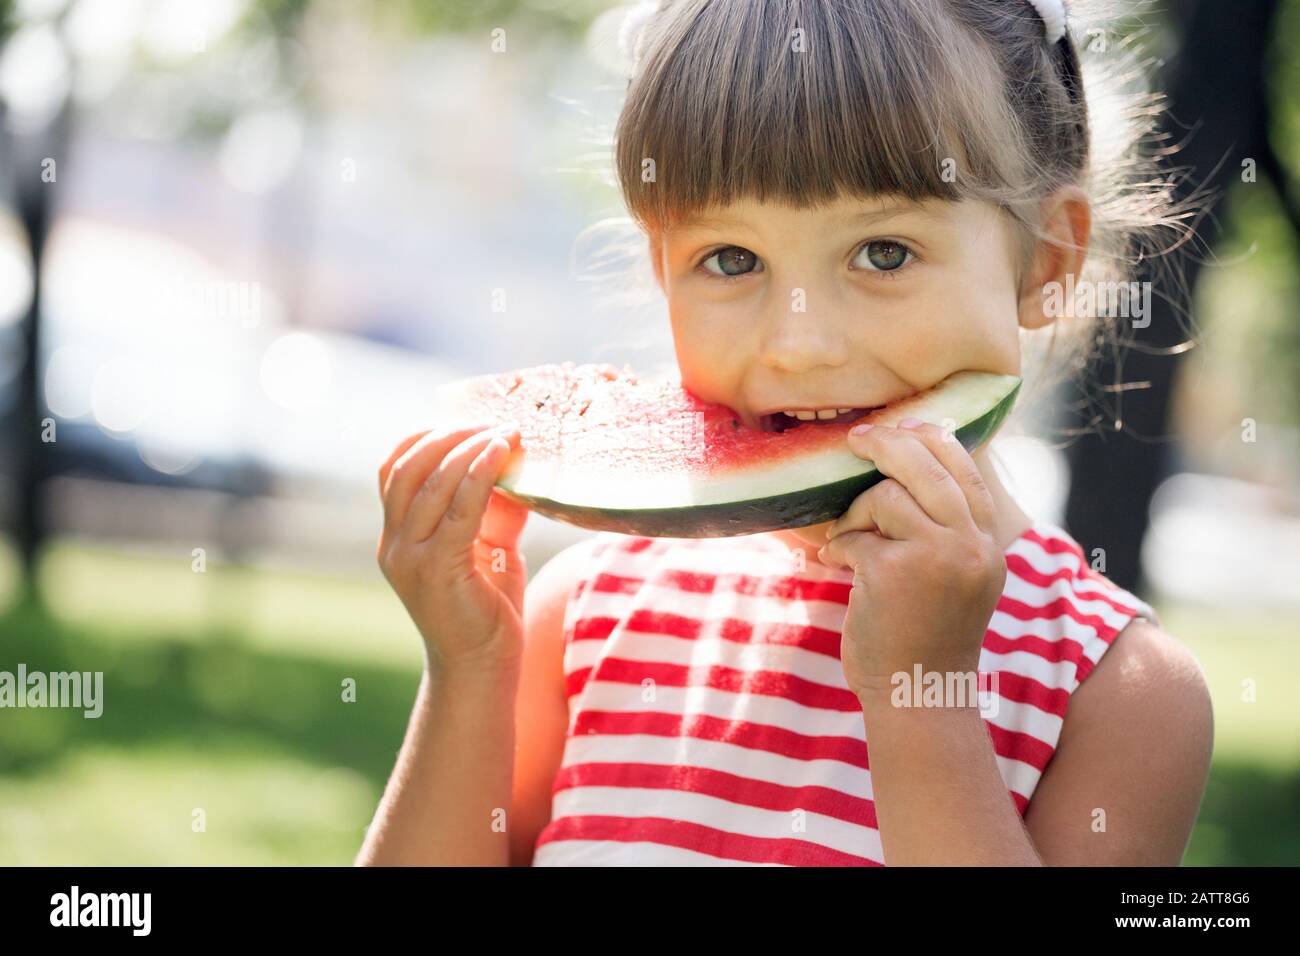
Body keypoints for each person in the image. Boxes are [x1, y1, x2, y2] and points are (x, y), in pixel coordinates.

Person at [357, 0, 1213, 866]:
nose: (798, 345)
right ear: (663, 270)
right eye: (731, 259)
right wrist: (468, 673)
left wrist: (921, 695)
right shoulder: (581, 614)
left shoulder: (1116, 691)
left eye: (883, 252)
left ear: (1047, 263)